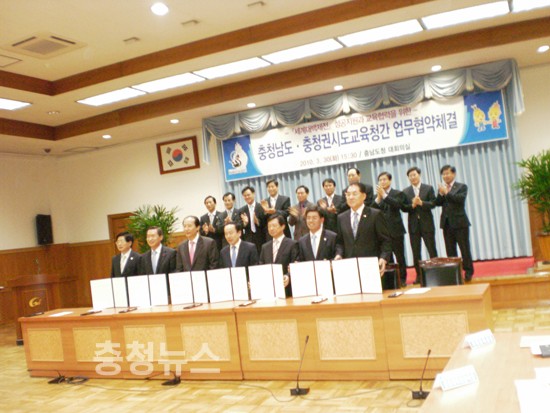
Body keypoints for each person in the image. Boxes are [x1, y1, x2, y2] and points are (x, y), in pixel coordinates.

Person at [335, 183, 392, 275]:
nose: (351, 197)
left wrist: (383, 258)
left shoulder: (375, 214)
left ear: (364, 196)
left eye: (354, 194)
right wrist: (339, 254)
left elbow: (386, 240)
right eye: (348, 194)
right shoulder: (341, 217)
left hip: (371, 265)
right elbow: (340, 242)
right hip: (350, 266)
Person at [435, 165, 474, 281]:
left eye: (447, 173)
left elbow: (459, 200)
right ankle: (455, 272)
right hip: (447, 224)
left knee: (464, 249)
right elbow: (438, 203)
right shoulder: (443, 188)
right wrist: (441, 194)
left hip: (460, 223)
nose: (445, 176)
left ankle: (468, 271)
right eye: (443, 174)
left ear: (454, 174)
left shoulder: (461, 186)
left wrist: (446, 193)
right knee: (450, 250)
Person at [402, 166, 438, 284]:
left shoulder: (428, 188)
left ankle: (436, 272)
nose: (413, 177)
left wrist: (422, 203)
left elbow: (433, 203)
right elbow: (404, 208)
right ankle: (419, 275)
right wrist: (412, 205)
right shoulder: (406, 191)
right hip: (413, 226)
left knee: (432, 249)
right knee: (416, 252)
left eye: (414, 175)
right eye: (410, 176)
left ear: (419, 175)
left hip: (427, 224)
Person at [372, 172, 408, 285]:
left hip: (396, 230)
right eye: (380, 180)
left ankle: (402, 278)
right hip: (383, 232)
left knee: (400, 256)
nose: (382, 182)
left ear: (390, 180)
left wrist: (385, 196)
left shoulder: (398, 193)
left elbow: (398, 205)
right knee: (387, 258)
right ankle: (392, 280)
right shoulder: (376, 196)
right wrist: (378, 198)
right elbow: (372, 210)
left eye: (384, 179)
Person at [259, 214, 299, 297]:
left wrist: (288, 276)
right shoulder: (265, 247)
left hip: (287, 289)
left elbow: (295, 265)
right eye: (269, 226)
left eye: (274, 226)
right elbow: (261, 266)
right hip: (269, 290)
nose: (271, 228)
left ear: (283, 226)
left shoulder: (292, 244)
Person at [239, 186, 266, 253]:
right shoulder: (242, 210)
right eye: (245, 196)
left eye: (248, 195)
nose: (247, 197)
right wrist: (244, 223)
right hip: (248, 239)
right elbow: (240, 226)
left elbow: (266, 222)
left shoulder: (261, 207)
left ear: (253, 194)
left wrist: (258, 222)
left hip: (262, 237)